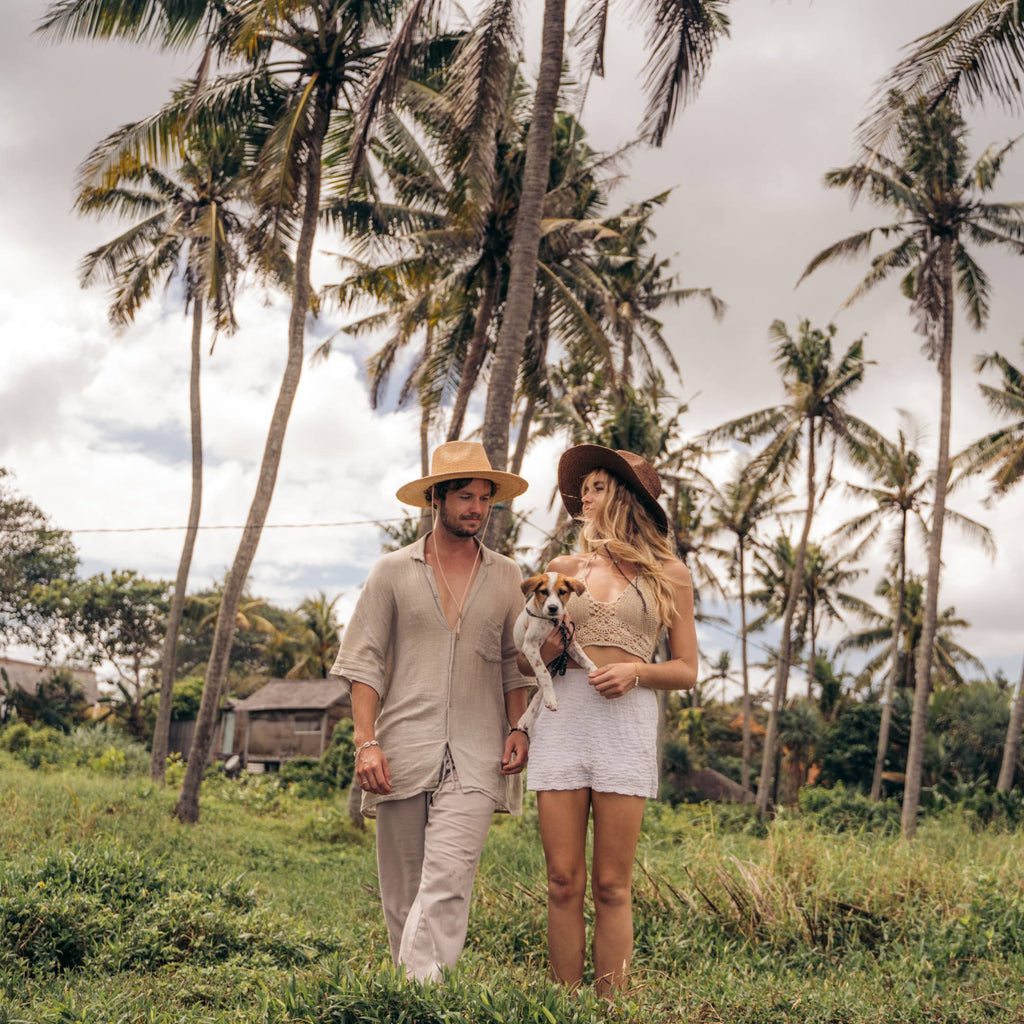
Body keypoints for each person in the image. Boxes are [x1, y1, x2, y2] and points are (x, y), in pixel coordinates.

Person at [329, 441, 532, 982]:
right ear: (437, 498)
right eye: (465, 496)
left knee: (448, 878)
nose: (476, 508)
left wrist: (519, 727)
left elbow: (516, 664)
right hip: (399, 749)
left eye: (484, 499)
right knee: (402, 893)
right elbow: (363, 664)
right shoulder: (392, 571)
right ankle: (418, 994)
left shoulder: (509, 576)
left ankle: (415, 999)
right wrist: (366, 742)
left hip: (479, 751)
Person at [523, 444, 698, 995]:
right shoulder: (561, 570)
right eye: (585, 488)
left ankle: (612, 1006)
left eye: (597, 487)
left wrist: (636, 674)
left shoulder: (671, 573)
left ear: (626, 497)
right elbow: (527, 649)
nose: (584, 497)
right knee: (561, 880)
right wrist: (550, 649)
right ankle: (566, 1004)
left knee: (612, 885)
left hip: (625, 726)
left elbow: (688, 669)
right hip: (562, 719)